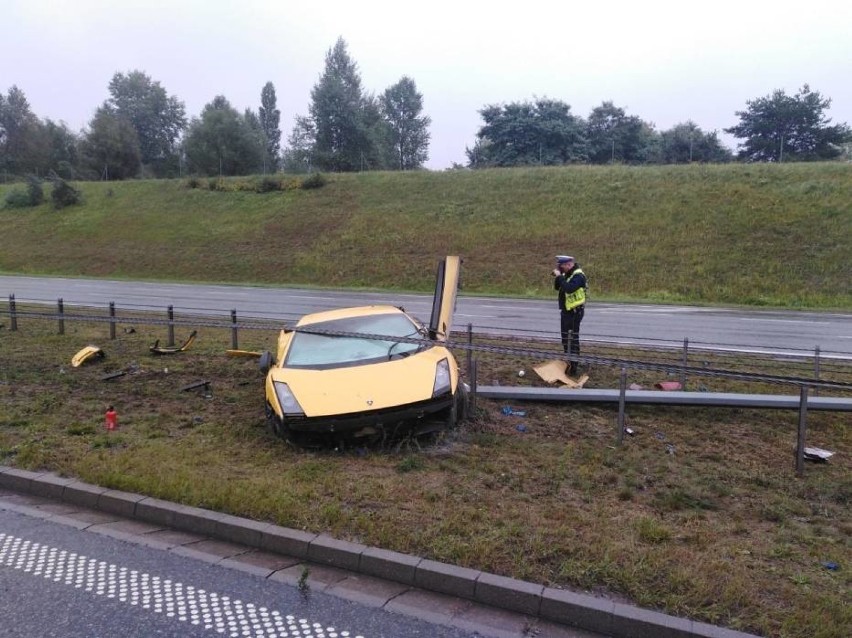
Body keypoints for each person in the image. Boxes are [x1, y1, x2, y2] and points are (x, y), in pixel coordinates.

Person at [552, 255, 587, 376]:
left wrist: (560, 277)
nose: (561, 269)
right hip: (566, 311)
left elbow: (569, 288)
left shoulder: (578, 276)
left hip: (574, 312)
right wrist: (559, 277)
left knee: (572, 339)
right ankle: (569, 362)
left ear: (568, 265)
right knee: (566, 339)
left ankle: (574, 367)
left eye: (562, 267)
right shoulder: (567, 275)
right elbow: (558, 287)